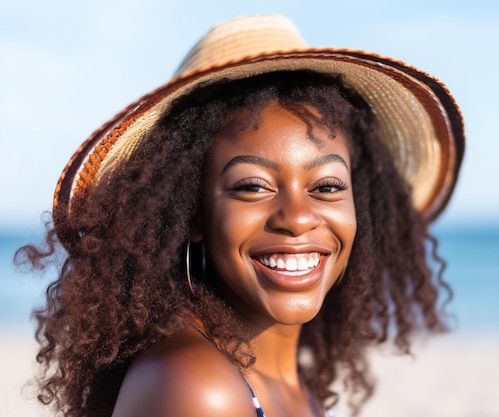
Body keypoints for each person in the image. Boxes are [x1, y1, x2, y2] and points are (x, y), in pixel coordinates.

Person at [18, 14, 464, 417]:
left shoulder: (283, 379)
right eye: (253, 186)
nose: (297, 217)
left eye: (326, 187)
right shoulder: (196, 387)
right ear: (191, 213)